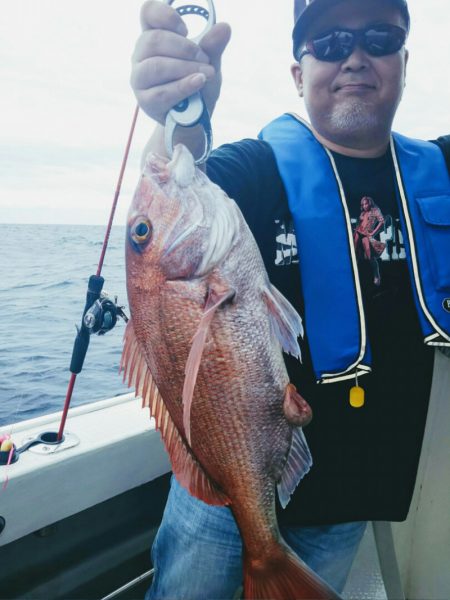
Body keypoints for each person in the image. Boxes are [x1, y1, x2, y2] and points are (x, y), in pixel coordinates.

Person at [130, 0, 450, 597]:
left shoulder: (440, 170)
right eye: (329, 44)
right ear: (299, 74)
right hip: (219, 485)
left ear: (405, 61)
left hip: (353, 488)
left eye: (378, 38)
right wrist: (182, 111)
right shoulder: (258, 172)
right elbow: (187, 173)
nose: (354, 56)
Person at [353, 196, 386, 285]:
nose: (364, 206)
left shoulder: (375, 210)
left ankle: (376, 275)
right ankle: (353, 274)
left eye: (366, 203)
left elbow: (382, 221)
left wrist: (373, 232)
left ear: (370, 203)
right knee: (354, 252)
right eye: (363, 204)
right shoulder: (363, 213)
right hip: (358, 232)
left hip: (366, 234)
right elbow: (360, 222)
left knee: (370, 256)